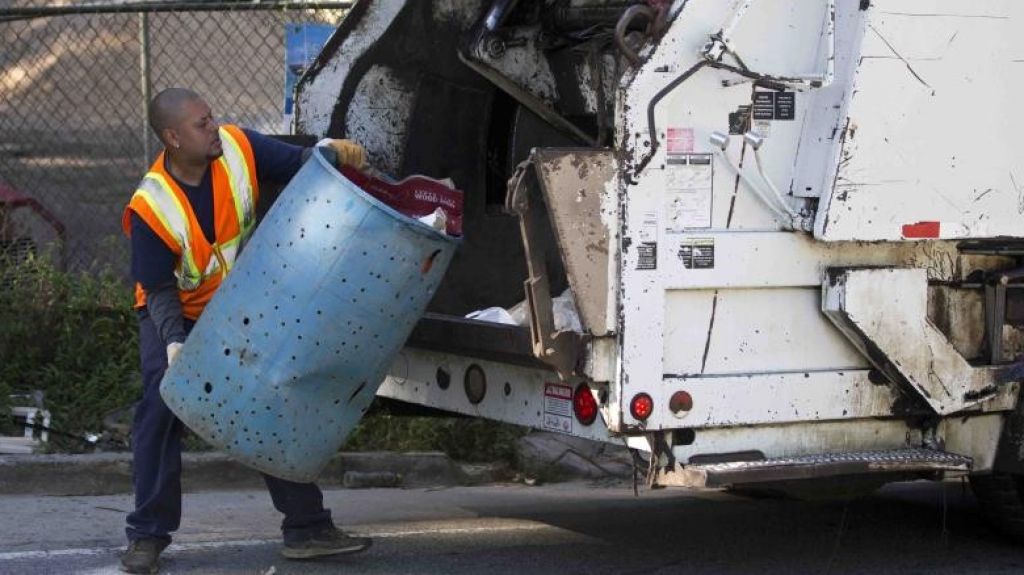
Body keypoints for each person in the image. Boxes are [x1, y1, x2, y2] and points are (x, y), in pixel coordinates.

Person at [119, 88, 370, 574]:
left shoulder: (236, 146)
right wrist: (176, 344)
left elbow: (301, 163)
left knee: (265, 398)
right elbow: (157, 290)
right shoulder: (151, 206)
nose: (213, 127)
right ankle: (147, 535)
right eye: (200, 124)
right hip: (172, 313)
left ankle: (306, 528)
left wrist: (333, 151)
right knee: (159, 406)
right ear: (172, 138)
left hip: (233, 303)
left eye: (211, 116)